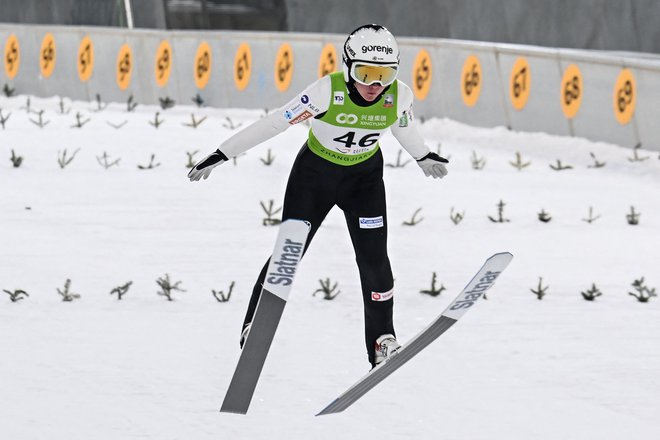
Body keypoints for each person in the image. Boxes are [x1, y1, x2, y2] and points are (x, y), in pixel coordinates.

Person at [188, 24, 448, 368]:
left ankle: (382, 340)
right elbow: (275, 123)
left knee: (375, 260)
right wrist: (222, 153)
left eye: (384, 75)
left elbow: (403, 126)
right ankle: (255, 324)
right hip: (315, 178)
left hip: (364, 181)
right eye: (365, 73)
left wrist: (422, 155)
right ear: (347, 67)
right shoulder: (326, 92)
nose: (374, 85)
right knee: (289, 253)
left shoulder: (398, 94)